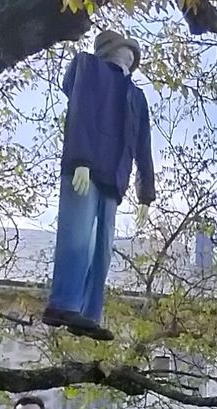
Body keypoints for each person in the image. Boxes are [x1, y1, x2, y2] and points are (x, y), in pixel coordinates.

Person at [42, 30, 156, 341]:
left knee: (102, 250)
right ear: (109, 50)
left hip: (114, 179)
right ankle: (62, 303)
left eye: (133, 53)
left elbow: (143, 146)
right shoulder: (88, 68)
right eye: (124, 50)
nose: (130, 56)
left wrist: (145, 194)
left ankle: (88, 314)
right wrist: (80, 159)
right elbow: (80, 112)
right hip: (85, 169)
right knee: (77, 238)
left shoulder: (137, 97)